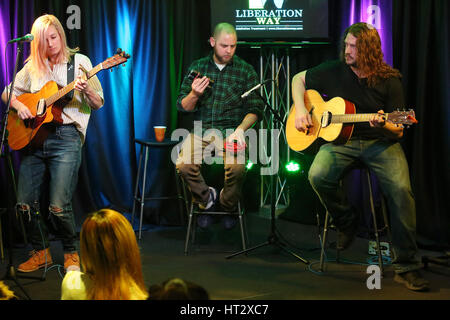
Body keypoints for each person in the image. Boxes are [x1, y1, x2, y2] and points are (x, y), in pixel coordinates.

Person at [291, 22, 429, 291]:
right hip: (342, 142)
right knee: (317, 175)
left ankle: (407, 266)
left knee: (402, 191)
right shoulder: (334, 70)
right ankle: (347, 221)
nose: (347, 50)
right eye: (346, 45)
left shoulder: (389, 81)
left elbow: (399, 130)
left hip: (381, 144)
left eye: (353, 46)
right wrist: (299, 109)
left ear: (368, 49)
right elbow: (298, 79)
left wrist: (386, 124)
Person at [1, 14, 104, 273]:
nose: (51, 44)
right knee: (24, 204)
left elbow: (98, 102)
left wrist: (87, 90)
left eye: (54, 37)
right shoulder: (32, 67)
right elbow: (6, 92)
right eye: (44, 40)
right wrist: (18, 106)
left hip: (67, 138)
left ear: (61, 34)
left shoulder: (80, 62)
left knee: (58, 205)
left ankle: (71, 253)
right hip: (34, 140)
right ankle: (41, 252)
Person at [176, 23, 263, 229]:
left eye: (233, 46)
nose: (229, 51)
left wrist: (241, 130)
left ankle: (227, 205)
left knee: (237, 167)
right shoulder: (198, 67)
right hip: (202, 129)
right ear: (213, 42)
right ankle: (206, 202)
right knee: (183, 165)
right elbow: (183, 107)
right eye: (224, 46)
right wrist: (194, 94)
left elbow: (256, 109)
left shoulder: (245, 70)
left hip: (232, 131)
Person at [61, 209, 148, 300]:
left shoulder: (71, 283)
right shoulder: (139, 296)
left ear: (87, 248)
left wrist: (72, 270)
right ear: (129, 245)